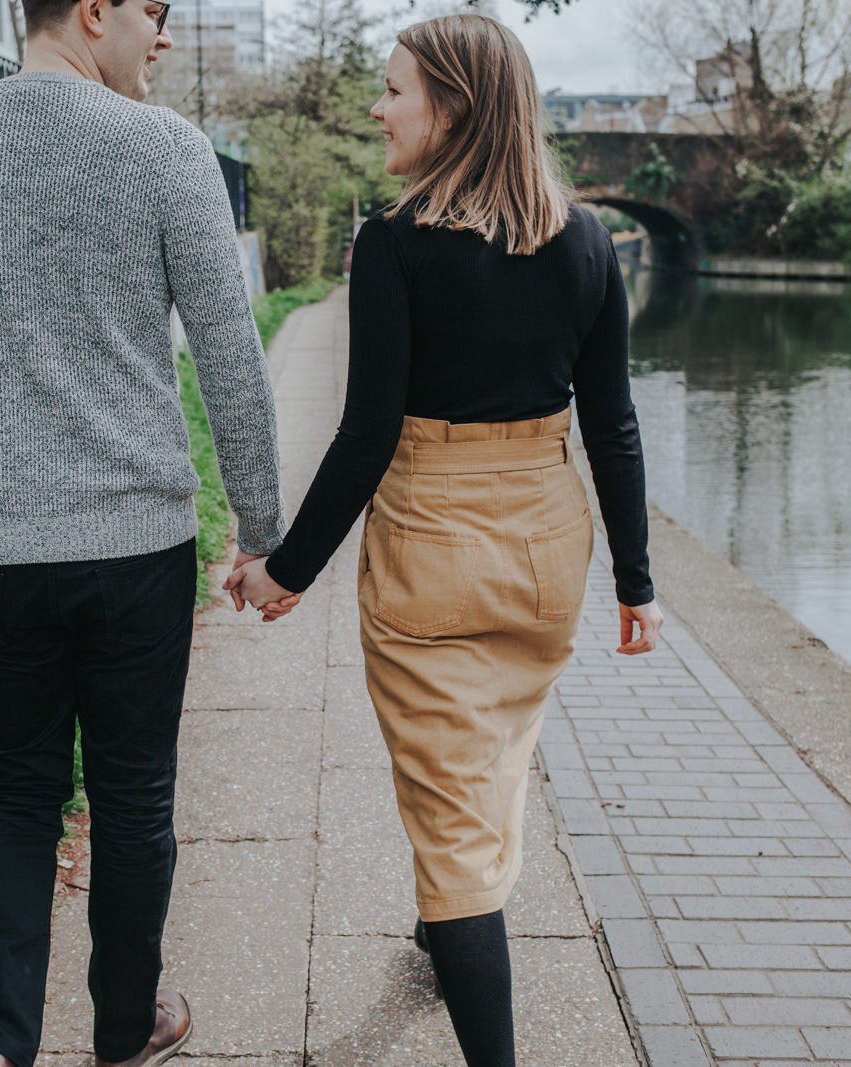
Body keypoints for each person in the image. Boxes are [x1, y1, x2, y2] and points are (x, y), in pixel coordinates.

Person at [225, 14, 665, 1066]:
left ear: (451, 109)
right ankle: (441, 927)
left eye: (392, 91)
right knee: (487, 758)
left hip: (431, 549)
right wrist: (636, 583)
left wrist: (285, 570)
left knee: (456, 833)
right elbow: (611, 424)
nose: (376, 108)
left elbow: (368, 430)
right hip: (543, 550)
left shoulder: (391, 242)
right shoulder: (589, 240)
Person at [0, 0, 292, 1061]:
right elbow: (228, 356)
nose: (162, 38)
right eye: (153, 14)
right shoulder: (164, 149)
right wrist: (262, 529)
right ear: (94, 11)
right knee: (133, 791)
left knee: (13, 793)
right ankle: (122, 1028)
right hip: (129, 546)